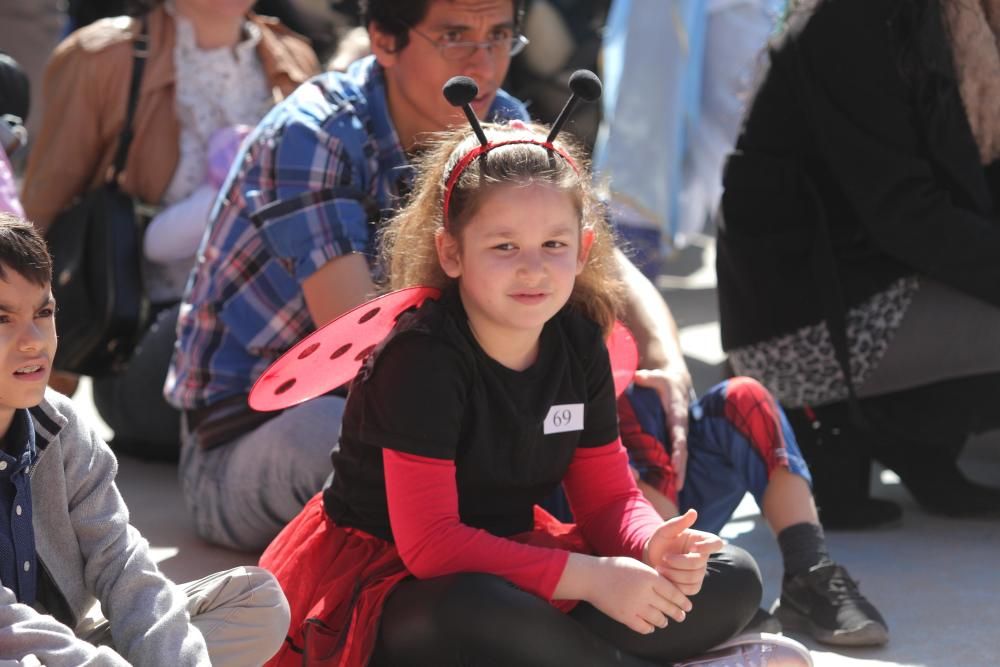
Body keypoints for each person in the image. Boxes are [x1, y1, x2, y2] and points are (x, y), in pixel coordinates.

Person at [258, 119, 811, 667]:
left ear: (583, 248)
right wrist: (593, 579)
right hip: (399, 578)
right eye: (504, 246)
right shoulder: (420, 357)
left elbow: (608, 500)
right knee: (471, 613)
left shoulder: (579, 341)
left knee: (731, 576)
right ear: (451, 253)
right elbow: (433, 545)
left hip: (517, 561)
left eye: (553, 243)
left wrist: (650, 545)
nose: (533, 267)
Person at [166, 0, 702, 558]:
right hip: (250, 439)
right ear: (383, 39)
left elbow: (600, 257)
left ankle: (620, 552)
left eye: (498, 35)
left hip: (455, 401)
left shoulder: (499, 119)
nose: (484, 62)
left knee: (607, 422)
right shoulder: (313, 133)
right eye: (454, 36)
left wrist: (666, 361)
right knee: (407, 447)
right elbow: (371, 357)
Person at [715, 0, 1000, 528]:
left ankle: (912, 435)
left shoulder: (967, 22)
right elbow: (907, 215)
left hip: (881, 280)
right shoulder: (855, 19)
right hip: (805, 325)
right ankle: (837, 423)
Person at [20, 0, 319, 461]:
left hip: (277, 332)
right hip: (144, 346)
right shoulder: (100, 57)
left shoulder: (294, 57)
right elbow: (39, 223)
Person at [0, 213, 290, 666]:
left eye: (44, 312)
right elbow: (10, 629)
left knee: (257, 601)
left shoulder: (61, 427)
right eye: (3, 319)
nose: (34, 341)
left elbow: (123, 564)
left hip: (71, 648)